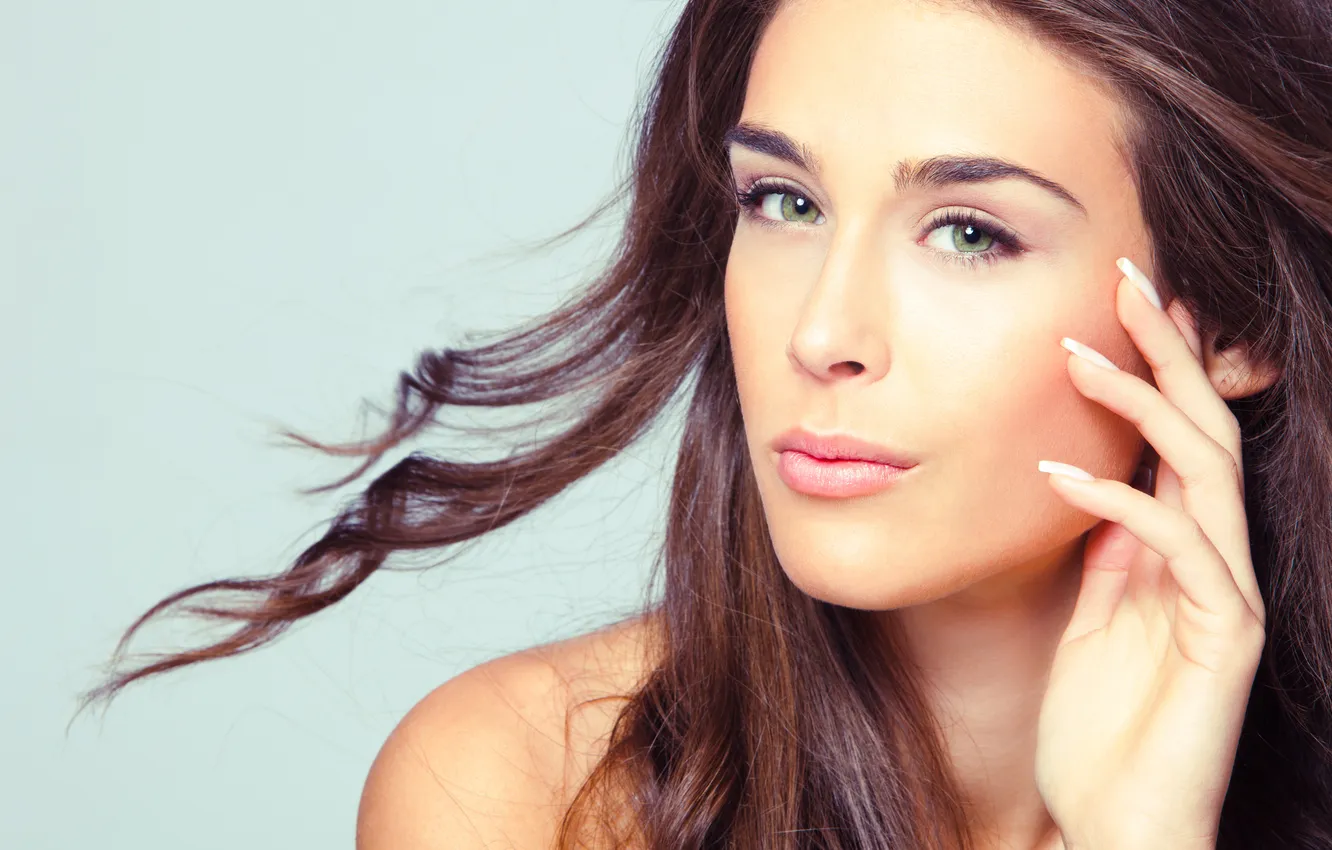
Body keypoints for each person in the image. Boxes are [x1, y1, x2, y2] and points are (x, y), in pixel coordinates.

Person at [76, 0, 1332, 847]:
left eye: (968, 231)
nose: (820, 332)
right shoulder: (522, 790)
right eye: (783, 202)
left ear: (1232, 324)